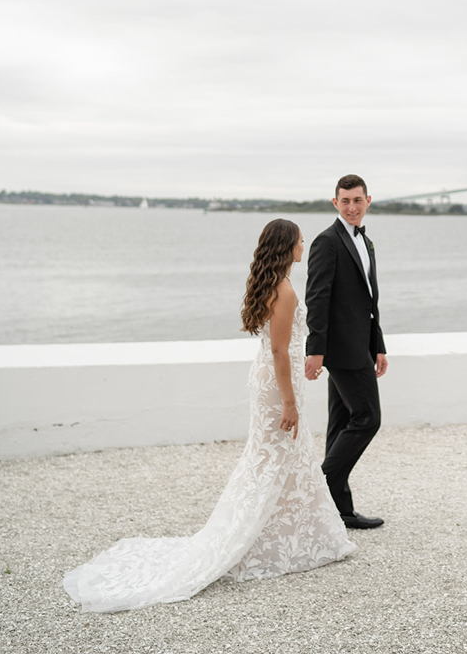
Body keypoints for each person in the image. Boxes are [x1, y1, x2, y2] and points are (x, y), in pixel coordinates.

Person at [63, 219, 354, 613]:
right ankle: (261, 539)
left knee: (277, 458)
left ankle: (300, 537)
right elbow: (280, 351)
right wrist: (289, 401)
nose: (304, 246)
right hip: (277, 384)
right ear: (288, 247)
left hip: (267, 380)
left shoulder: (270, 284)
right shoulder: (284, 290)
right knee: (276, 457)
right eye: (301, 242)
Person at [305, 175, 387, 529]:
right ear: (334, 202)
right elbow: (317, 298)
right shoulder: (327, 242)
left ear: (368, 200)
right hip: (341, 350)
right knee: (368, 418)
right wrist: (315, 349)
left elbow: (369, 301)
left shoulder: (365, 241)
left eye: (357, 200)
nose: (351, 207)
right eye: (345, 201)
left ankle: (340, 512)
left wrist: (378, 346)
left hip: (360, 347)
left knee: (340, 425)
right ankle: (318, 489)